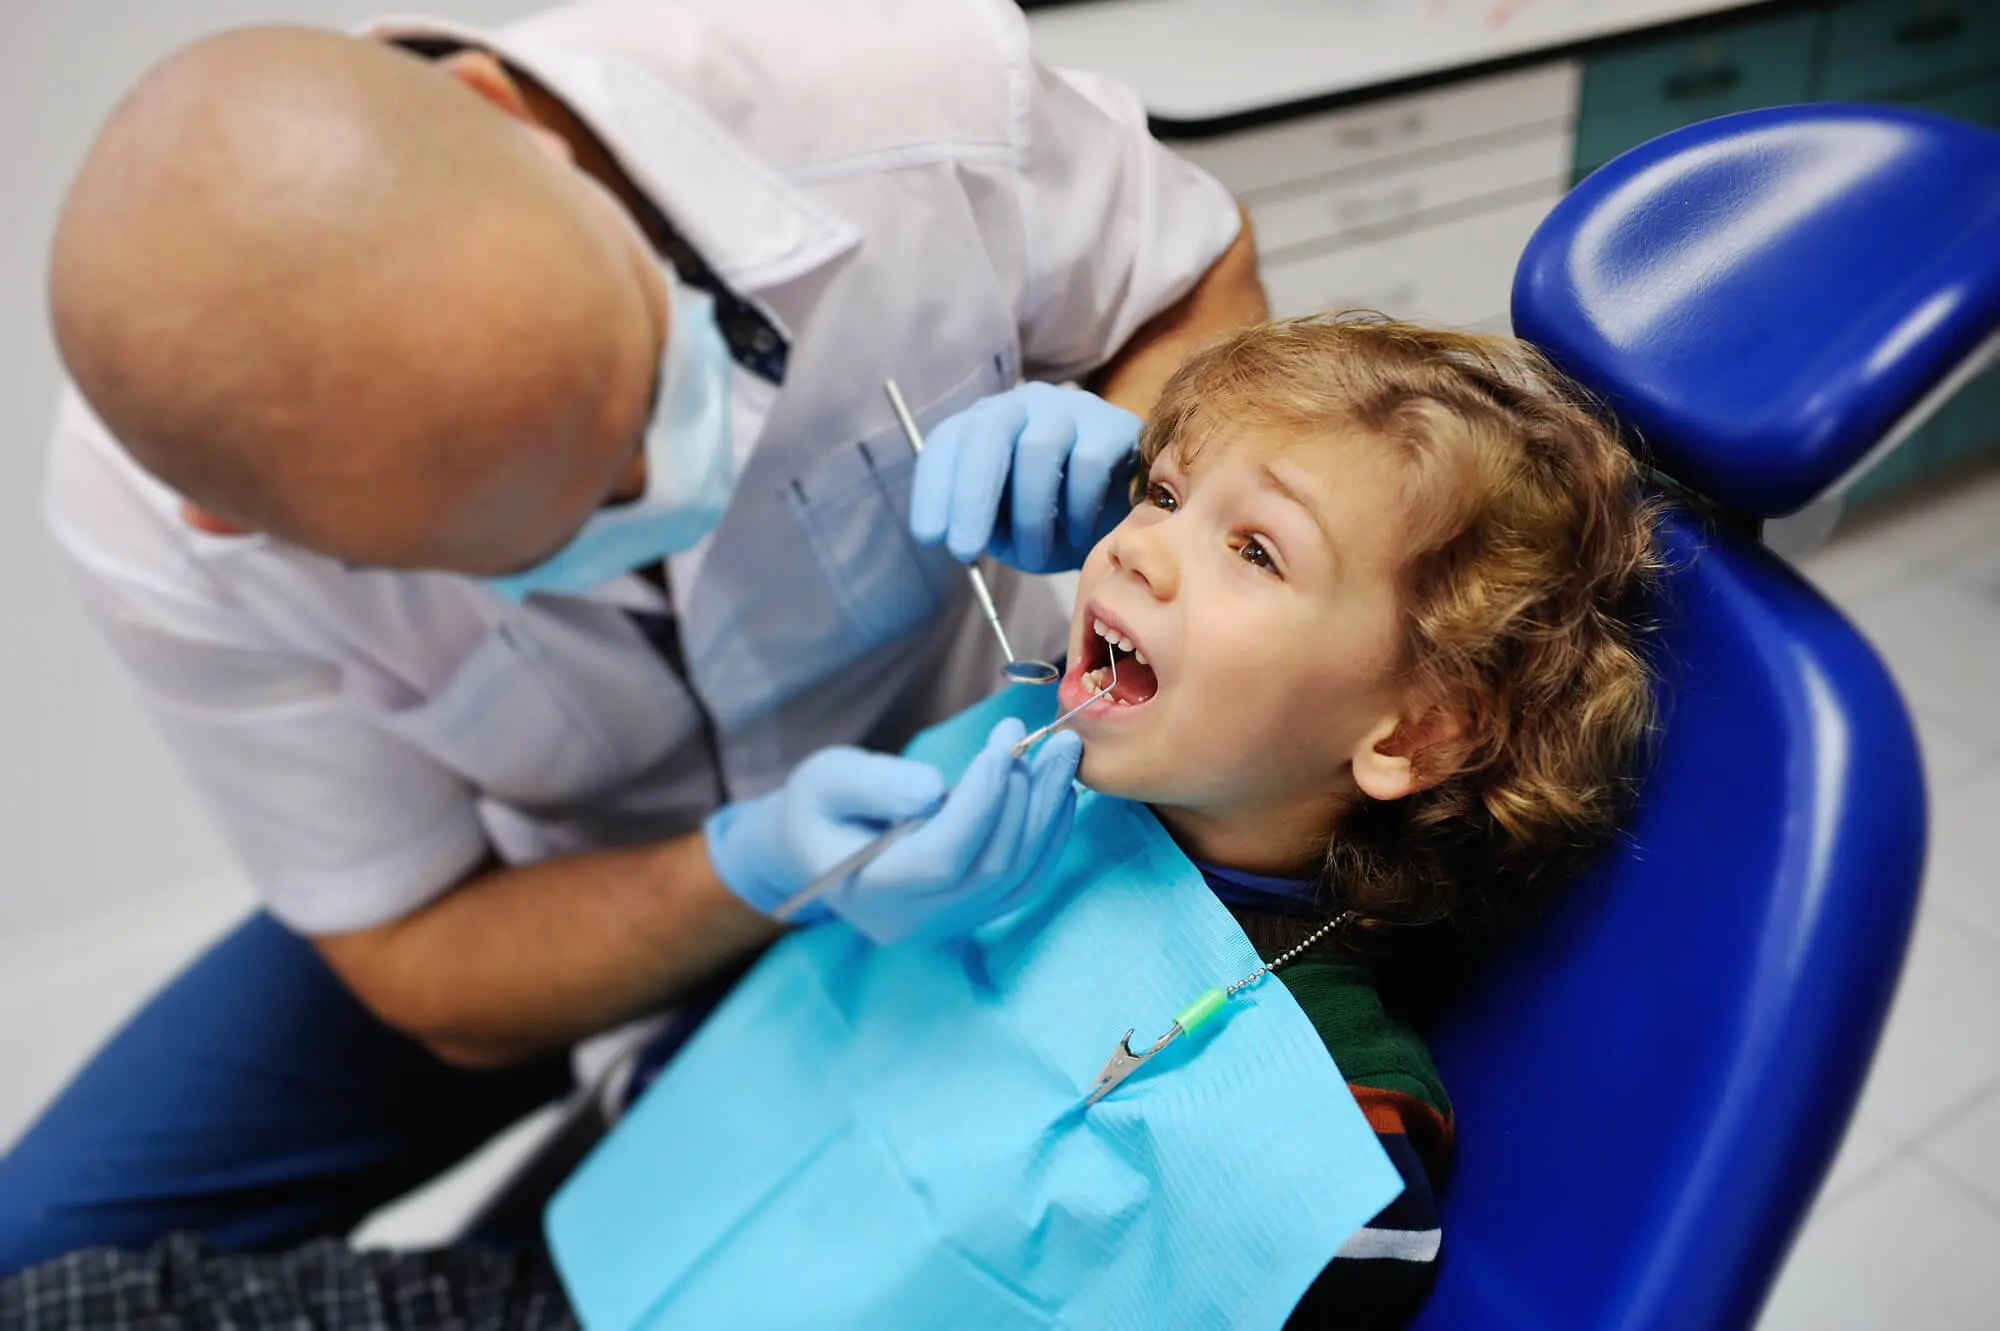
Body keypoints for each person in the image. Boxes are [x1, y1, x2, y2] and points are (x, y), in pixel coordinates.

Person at [0, 313, 1664, 1330]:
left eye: (1255, 550)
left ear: (1413, 729)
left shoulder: (1342, 1145)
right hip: (579, 1276)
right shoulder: (1001, 762)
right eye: (1162, 493)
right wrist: (792, 883)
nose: (1137, 547)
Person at [0, 0, 1268, 1273]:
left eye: (633, 399)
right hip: (541, 874)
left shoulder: (900, 92)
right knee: (30, 1259)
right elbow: (415, 951)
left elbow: (1188, 277)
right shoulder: (162, 527)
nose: (666, 497)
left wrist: (1154, 445)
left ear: (504, 115)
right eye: (533, 541)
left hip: (940, 751)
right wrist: (747, 872)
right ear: (235, 521)